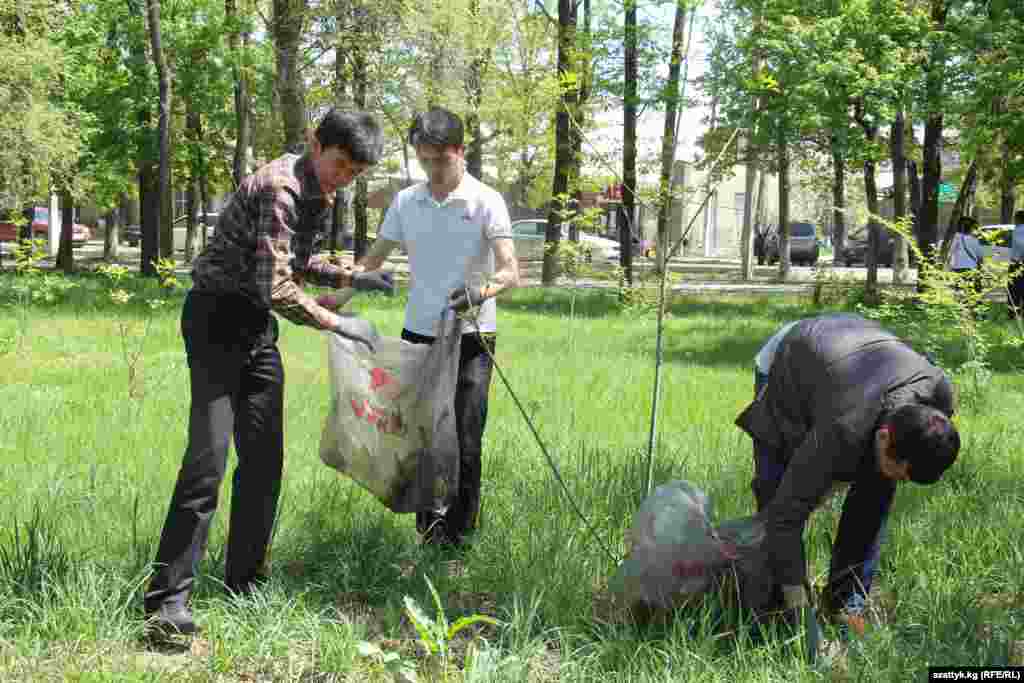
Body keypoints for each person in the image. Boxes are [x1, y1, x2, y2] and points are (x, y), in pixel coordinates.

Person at [144, 108, 395, 636]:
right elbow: (275, 288)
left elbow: (289, 264)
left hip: (256, 328)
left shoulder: (318, 193)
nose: (343, 178)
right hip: (215, 321)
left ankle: (244, 582)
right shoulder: (280, 188)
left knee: (263, 461)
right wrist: (339, 324)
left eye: (354, 173)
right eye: (340, 163)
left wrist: (355, 276)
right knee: (206, 463)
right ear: (314, 141)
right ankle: (166, 602)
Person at [735, 314, 960, 637]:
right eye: (902, 473)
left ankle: (844, 605)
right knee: (777, 495)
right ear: (883, 437)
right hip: (791, 360)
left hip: (856, 356)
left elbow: (877, 492)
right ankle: (778, 604)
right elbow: (785, 518)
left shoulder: (938, 396)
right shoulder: (843, 429)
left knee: (874, 495)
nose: (902, 482)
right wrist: (801, 612)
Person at [356, 107, 520, 547]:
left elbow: (510, 272)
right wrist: (334, 299)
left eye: (440, 160)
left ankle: (460, 536)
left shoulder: (487, 200)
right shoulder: (406, 202)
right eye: (424, 160)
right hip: (420, 334)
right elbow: (372, 260)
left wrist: (479, 293)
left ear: (460, 152)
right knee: (423, 435)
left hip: (472, 335)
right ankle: (429, 532)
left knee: (466, 435)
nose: (433, 170)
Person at [948, 215, 984, 304]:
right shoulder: (975, 239)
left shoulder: (956, 237)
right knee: (972, 292)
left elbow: (950, 253)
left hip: (958, 268)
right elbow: (980, 257)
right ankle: (973, 311)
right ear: (971, 227)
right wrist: (980, 270)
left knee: (960, 292)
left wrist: (949, 267)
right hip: (972, 269)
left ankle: (962, 311)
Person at [1008, 209, 1024, 317]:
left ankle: (1013, 313)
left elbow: (1021, 244)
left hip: (1017, 263)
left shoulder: (1018, 230)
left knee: (1014, 290)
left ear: (1018, 219)